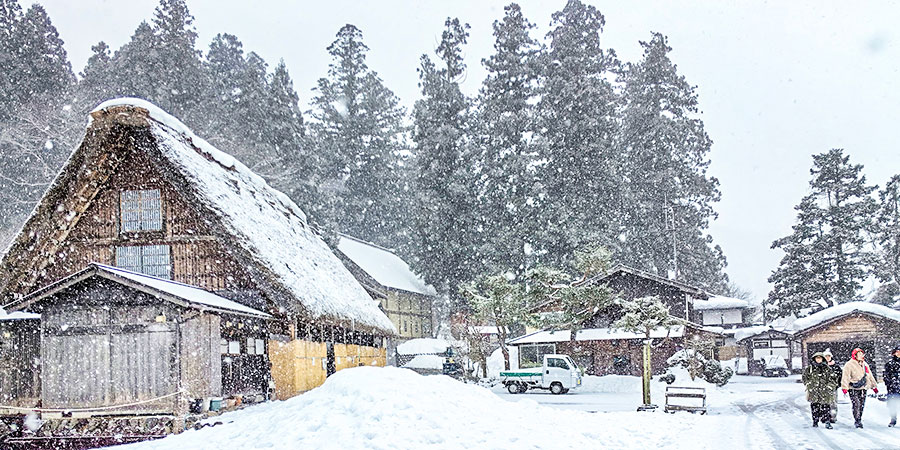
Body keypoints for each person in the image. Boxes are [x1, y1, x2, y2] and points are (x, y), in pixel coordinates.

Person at [841, 347, 879, 428]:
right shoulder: (849, 364)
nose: (861, 356)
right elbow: (845, 376)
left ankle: (859, 418)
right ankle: (857, 420)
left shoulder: (865, 364)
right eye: (859, 354)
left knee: (861, 405)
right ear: (855, 355)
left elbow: (870, 375)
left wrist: (874, 386)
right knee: (856, 404)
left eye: (862, 354)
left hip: (863, 388)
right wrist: (844, 387)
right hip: (853, 388)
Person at [803, 351, 839, 428]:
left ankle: (827, 421)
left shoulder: (827, 369)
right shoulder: (810, 369)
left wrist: (829, 386)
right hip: (814, 392)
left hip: (825, 392)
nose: (818, 360)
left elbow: (833, 379)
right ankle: (815, 421)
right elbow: (805, 377)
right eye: (817, 358)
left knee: (826, 408)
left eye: (820, 358)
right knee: (815, 407)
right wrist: (809, 385)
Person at [823, 348, 841, 424]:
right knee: (824, 403)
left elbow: (840, 375)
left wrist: (837, 384)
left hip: (833, 388)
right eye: (826, 356)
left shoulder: (836, 366)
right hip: (823, 388)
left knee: (833, 403)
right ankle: (825, 417)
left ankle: (833, 417)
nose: (827, 358)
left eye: (829, 356)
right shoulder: (821, 366)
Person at [886, 345, 900, 427]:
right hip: (893, 387)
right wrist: (892, 382)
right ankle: (893, 419)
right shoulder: (890, 364)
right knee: (893, 404)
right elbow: (887, 376)